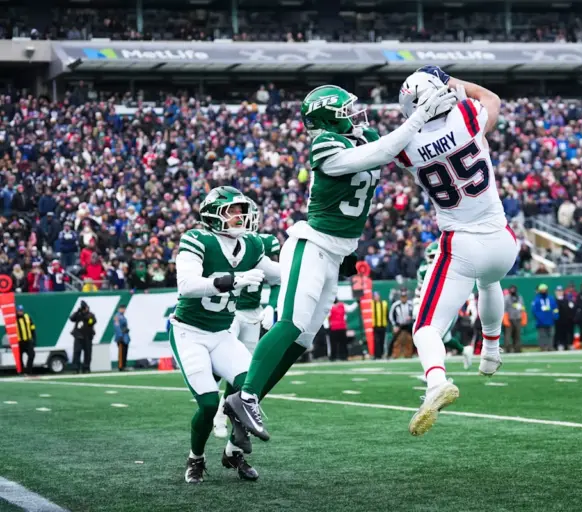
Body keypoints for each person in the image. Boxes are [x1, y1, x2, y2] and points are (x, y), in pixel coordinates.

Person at [225, 83, 457, 442]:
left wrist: (438, 119)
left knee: (302, 341)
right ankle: (247, 396)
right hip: (312, 244)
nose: (353, 115)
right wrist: (418, 116)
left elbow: (398, 147)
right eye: (344, 111)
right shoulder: (324, 144)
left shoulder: (364, 136)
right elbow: (379, 152)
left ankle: (245, 408)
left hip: (337, 253)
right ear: (327, 119)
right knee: (291, 323)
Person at [394, 67, 519, 436]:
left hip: (461, 243)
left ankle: (436, 381)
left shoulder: (406, 148)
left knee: (425, 327)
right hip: (503, 240)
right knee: (490, 281)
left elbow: (388, 149)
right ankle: (491, 351)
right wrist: (454, 83)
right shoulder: (466, 116)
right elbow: (491, 99)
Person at [169, 186, 279, 484]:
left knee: (251, 390)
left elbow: (279, 273)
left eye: (242, 210)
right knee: (207, 405)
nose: (241, 216)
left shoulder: (251, 244)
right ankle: (196, 457)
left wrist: (322, 265)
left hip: (222, 334)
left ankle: (233, 451)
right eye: (233, 210)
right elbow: (187, 286)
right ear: (213, 214)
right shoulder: (197, 239)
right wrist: (235, 280)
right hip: (190, 332)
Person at [213, 201, 281, 440]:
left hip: (253, 313)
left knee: (244, 370)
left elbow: (278, 278)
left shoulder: (263, 243)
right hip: (230, 311)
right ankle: (212, 407)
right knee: (221, 362)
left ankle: (223, 412)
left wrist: (272, 305)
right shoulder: (224, 243)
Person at [413, 241, 473, 368]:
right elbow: (419, 290)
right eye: (430, 257)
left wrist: (469, 303)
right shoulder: (423, 270)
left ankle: (435, 370)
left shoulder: (449, 268)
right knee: (445, 339)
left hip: (447, 309)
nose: (432, 260)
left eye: (434, 256)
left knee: (434, 337)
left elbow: (462, 287)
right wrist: (416, 304)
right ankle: (464, 350)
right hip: (432, 308)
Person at [70, 301, 97, 373]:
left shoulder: (91, 315)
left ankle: (86, 368)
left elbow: (92, 322)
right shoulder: (78, 314)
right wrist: (77, 312)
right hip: (78, 336)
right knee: (77, 352)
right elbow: (72, 318)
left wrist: (86, 317)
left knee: (88, 353)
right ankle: (75, 368)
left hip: (88, 337)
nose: (85, 309)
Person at [389, 290, 415, 358]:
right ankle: (390, 354)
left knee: (413, 338)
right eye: (402, 297)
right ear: (400, 297)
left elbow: (415, 314)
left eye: (405, 297)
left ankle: (413, 353)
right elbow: (391, 316)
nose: (404, 298)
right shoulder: (395, 305)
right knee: (394, 339)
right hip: (399, 325)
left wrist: (411, 317)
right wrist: (394, 325)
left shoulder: (411, 304)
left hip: (408, 325)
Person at [532, 284, 558, 351]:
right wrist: (540, 318)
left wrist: (555, 316)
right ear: (539, 291)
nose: (544, 291)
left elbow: (555, 308)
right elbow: (534, 311)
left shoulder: (551, 298)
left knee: (551, 334)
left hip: (550, 320)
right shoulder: (536, 300)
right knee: (542, 335)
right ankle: (543, 348)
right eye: (542, 290)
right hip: (541, 322)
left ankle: (550, 347)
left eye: (545, 290)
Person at [503, 285, 525, 353]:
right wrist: (505, 319)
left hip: (518, 318)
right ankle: (508, 349)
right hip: (509, 318)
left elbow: (522, 307)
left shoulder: (519, 297)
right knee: (508, 335)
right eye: (511, 289)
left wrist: (520, 309)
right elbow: (504, 308)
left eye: (514, 289)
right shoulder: (506, 298)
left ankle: (517, 349)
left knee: (517, 335)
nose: (513, 290)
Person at [15, 305, 36, 374]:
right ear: (16, 311)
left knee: (32, 355)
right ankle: (22, 371)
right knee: (19, 358)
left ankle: (28, 370)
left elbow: (32, 328)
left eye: (21, 310)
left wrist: (34, 339)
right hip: (19, 342)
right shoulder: (14, 319)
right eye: (19, 311)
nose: (20, 312)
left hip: (28, 341)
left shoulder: (27, 316)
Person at [554, 286, 575, 350]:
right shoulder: (554, 301)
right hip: (558, 320)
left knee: (567, 333)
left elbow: (571, 309)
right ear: (555, 292)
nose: (559, 292)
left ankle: (568, 344)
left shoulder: (567, 300)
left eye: (560, 291)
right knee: (559, 333)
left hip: (567, 320)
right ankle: (560, 344)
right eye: (558, 291)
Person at [371, 292, 389, 359]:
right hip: (375, 326)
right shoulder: (371, 304)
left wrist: (388, 323)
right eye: (375, 296)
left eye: (377, 296)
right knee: (376, 341)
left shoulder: (384, 303)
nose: (376, 297)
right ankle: (376, 355)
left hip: (383, 325)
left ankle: (381, 354)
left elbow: (387, 314)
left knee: (382, 341)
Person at [113, 304, 130, 371]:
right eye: (122, 308)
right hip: (121, 336)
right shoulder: (117, 316)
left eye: (124, 309)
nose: (123, 310)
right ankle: (121, 366)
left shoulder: (122, 316)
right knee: (121, 352)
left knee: (125, 351)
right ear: (119, 309)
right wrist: (120, 335)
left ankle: (124, 365)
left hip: (125, 336)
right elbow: (117, 326)